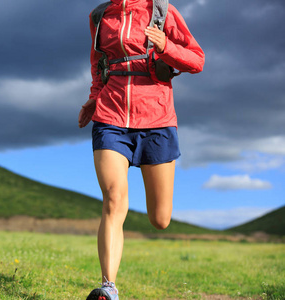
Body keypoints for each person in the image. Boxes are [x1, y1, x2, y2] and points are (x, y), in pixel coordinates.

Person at [78, 0, 205, 299]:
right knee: (113, 198)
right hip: (110, 118)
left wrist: (166, 47)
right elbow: (99, 66)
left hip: (158, 120)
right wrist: (94, 97)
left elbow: (197, 60)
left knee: (160, 219)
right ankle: (108, 288)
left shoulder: (163, 11)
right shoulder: (99, 16)